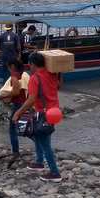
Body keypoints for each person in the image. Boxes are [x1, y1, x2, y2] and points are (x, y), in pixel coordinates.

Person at [12, 52, 62, 183]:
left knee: (45, 142)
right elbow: (58, 86)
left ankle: (55, 172)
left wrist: (18, 112)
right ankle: (39, 162)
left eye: (30, 64)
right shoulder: (52, 73)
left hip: (44, 112)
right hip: (54, 111)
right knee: (38, 135)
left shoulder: (35, 78)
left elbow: (31, 99)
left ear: (32, 64)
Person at [1, 59, 30, 166]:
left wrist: (2, 96)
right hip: (26, 104)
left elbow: (16, 92)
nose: (9, 70)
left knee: (12, 129)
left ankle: (15, 152)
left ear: (13, 68)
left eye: (9, 68)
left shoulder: (14, 78)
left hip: (18, 106)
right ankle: (39, 149)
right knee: (27, 128)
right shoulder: (25, 75)